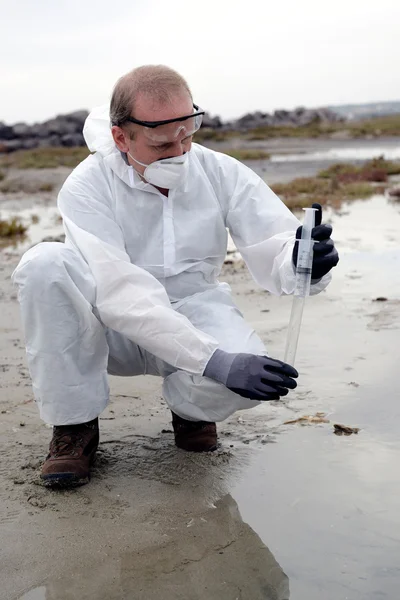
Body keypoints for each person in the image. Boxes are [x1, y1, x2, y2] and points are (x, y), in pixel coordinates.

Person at [12, 65, 339, 487]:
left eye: (187, 135)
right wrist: (214, 361)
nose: (180, 152)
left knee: (243, 383)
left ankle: (191, 413)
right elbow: (118, 291)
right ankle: (74, 427)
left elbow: (273, 243)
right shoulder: (86, 186)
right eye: (163, 143)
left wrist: (303, 259)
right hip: (106, 328)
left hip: (194, 309)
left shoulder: (220, 171)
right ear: (120, 137)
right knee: (45, 263)